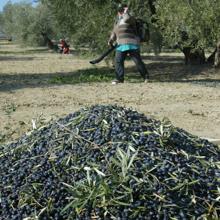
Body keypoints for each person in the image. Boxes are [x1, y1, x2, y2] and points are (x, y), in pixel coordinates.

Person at [108, 3, 150, 84]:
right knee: (118, 61)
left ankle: (146, 77)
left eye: (122, 10)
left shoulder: (131, 18)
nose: (120, 12)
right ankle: (120, 79)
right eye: (119, 11)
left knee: (137, 61)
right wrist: (110, 40)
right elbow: (114, 32)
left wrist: (126, 12)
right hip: (120, 45)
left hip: (132, 44)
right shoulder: (117, 21)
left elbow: (126, 19)